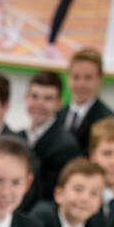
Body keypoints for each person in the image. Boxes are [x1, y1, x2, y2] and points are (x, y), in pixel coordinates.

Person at [21, 70, 81, 208]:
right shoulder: (18, 137)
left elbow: (51, 195)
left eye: (47, 98)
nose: (39, 104)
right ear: (26, 98)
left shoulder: (66, 146)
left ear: (59, 103)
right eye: (34, 96)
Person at [59, 48, 114, 156]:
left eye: (88, 78)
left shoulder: (108, 120)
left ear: (99, 79)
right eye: (76, 77)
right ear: (68, 78)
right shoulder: (58, 114)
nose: (81, 84)